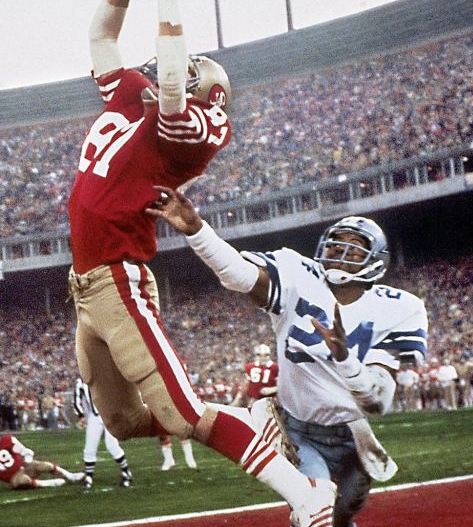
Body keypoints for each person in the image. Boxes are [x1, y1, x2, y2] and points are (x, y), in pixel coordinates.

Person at [68, 0, 335, 527]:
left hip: (119, 278)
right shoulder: (131, 95)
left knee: (185, 415)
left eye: (192, 70)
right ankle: (249, 424)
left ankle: (304, 493)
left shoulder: (193, 129)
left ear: (208, 94)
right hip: (84, 288)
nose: (179, 70)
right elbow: (100, 36)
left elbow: (169, 93)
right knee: (124, 421)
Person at [147, 190, 428, 527]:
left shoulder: (399, 307)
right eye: (336, 245)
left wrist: (344, 358)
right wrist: (197, 230)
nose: (340, 252)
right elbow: (239, 274)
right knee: (314, 512)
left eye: (353, 247)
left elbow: (377, 402)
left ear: (375, 260)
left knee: (342, 515)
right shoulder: (298, 272)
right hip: (297, 430)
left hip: (352, 434)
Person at [0, 426, 83, 494]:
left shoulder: (7, 440)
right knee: (24, 480)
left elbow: (25, 451)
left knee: (45, 465)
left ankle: (70, 476)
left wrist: (28, 458)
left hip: (23, 467)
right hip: (12, 479)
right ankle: (49, 483)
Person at [72, 376, 132, 489]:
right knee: (89, 447)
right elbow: (76, 400)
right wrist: (81, 415)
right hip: (94, 417)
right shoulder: (81, 381)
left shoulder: (104, 375)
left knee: (112, 445)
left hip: (111, 415)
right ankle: (89, 477)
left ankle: (126, 471)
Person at [233, 343, 279, 408]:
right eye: (259, 355)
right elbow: (246, 385)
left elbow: (282, 386)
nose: (262, 357)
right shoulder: (250, 366)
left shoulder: (275, 367)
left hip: (270, 401)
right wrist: (238, 398)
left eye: (265, 355)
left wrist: (273, 389)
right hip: (254, 400)